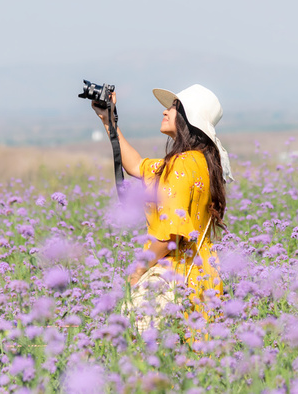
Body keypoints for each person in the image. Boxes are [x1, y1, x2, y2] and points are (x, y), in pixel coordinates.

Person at [92, 84, 234, 334]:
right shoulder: (200, 161)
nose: (165, 112)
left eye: (174, 108)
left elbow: (169, 234)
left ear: (188, 120)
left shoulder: (179, 165)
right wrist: (108, 120)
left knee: (160, 355)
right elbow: (136, 166)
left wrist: (136, 274)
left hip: (175, 279)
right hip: (204, 275)